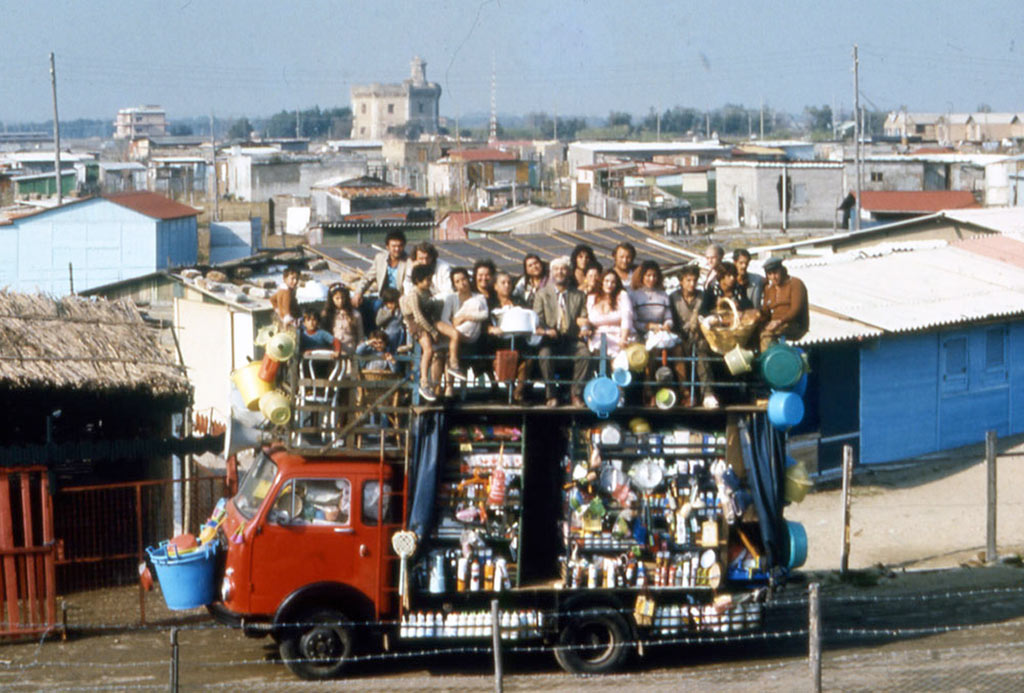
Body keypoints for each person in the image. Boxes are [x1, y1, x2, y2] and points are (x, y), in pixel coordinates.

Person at [533, 256, 591, 407]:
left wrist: (584, 328)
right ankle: (551, 395)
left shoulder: (578, 295)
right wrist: (546, 331)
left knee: (584, 353)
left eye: (564, 269)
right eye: (556, 269)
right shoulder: (542, 294)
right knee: (544, 355)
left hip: (571, 338)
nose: (560, 272)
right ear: (551, 272)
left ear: (569, 272)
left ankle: (576, 394)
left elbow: (583, 317)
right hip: (550, 339)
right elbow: (537, 319)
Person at [399, 264, 463, 402]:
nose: (429, 283)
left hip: (428, 321)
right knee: (428, 350)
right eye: (427, 280)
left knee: (450, 337)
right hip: (417, 325)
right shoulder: (413, 295)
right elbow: (418, 317)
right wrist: (433, 331)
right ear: (418, 280)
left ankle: (453, 363)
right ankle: (424, 381)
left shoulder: (427, 292)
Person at [489, 271, 531, 401]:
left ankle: (518, 391)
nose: (507, 285)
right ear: (495, 286)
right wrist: (491, 328)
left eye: (509, 283)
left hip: (519, 339)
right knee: (502, 359)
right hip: (499, 341)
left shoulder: (519, 301)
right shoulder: (490, 303)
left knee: (527, 360)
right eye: (503, 283)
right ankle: (510, 390)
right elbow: (486, 323)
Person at [440, 267, 490, 377]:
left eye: (464, 279)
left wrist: (465, 317)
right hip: (455, 334)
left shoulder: (479, 297)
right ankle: (449, 387)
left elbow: (484, 315)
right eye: (457, 281)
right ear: (454, 285)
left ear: (468, 279)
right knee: (449, 348)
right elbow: (445, 319)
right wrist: (454, 329)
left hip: (472, 336)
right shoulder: (451, 298)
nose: (462, 283)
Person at [759, 256, 809, 350]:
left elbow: (795, 309)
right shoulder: (769, 289)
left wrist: (779, 321)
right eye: (770, 274)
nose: (773, 277)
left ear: (781, 270)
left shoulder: (795, 283)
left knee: (766, 336)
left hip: (793, 324)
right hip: (774, 324)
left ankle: (771, 362)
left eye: (775, 273)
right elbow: (766, 312)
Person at [584, 269, 634, 358]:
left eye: (613, 282)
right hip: (598, 337)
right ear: (601, 282)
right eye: (606, 281)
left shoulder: (622, 295)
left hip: (619, 336)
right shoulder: (591, 298)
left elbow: (627, 317)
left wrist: (623, 338)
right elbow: (588, 319)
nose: (609, 285)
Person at [353, 230, 408, 307]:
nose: (397, 249)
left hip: (401, 299)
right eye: (394, 246)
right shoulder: (380, 259)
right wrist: (358, 293)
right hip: (383, 298)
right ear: (387, 246)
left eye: (400, 246)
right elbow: (367, 278)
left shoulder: (409, 261)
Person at [321, 283, 363, 356]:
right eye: (337, 298)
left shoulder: (355, 314)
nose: (340, 301)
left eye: (343, 298)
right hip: (332, 352)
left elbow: (360, 336)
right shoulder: (327, 314)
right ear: (331, 299)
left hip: (350, 351)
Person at [375, 287, 404, 353]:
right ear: (385, 303)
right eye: (390, 303)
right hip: (388, 335)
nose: (393, 305)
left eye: (394, 303)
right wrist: (390, 313)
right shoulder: (383, 311)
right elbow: (378, 322)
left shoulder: (399, 310)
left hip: (399, 334)